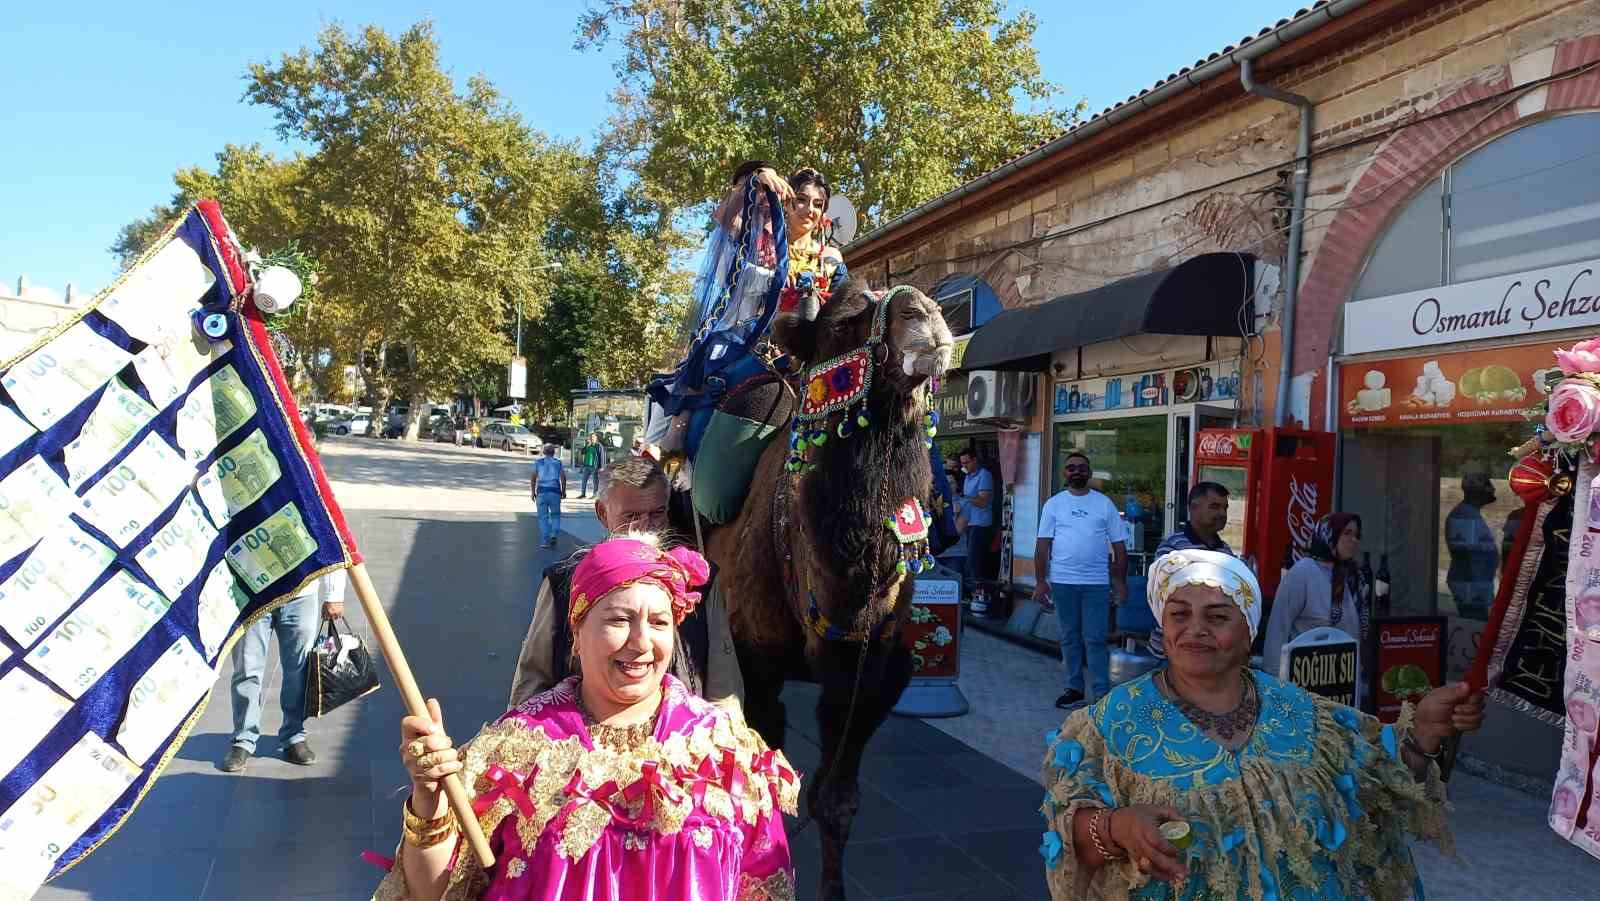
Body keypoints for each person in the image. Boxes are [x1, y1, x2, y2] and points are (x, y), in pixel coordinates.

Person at [1040, 549, 1485, 900]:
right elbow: (1068, 835)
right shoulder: (1108, 725)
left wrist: (1424, 734)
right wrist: (1118, 828)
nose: (1195, 629)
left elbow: (1381, 792)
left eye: (1217, 616)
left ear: (1248, 632)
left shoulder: (1307, 716)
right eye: (1179, 615)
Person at [375, 535, 797, 901]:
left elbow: (768, 884)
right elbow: (432, 892)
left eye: (659, 622)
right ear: (576, 632)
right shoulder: (515, 745)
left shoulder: (725, 750)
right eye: (619, 619)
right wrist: (428, 799)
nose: (641, 642)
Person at [509, 455, 744, 710]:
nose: (645, 527)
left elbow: (724, 688)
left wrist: (722, 740)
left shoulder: (698, 582)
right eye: (632, 515)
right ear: (602, 513)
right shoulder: (564, 580)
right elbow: (533, 677)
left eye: (657, 513)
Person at [220, 571, 347, 772]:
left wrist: (334, 594)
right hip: (251, 593)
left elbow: (333, 540)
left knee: (299, 669)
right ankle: (242, 740)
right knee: (246, 669)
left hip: (301, 592)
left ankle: (294, 735)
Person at [1033, 452, 1129, 709]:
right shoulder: (1053, 505)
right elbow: (1043, 546)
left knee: (1096, 638)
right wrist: (1040, 581)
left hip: (1097, 582)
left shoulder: (1104, 504)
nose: (1077, 471)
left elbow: (1119, 547)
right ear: (1065, 473)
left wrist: (1120, 580)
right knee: (1069, 637)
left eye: (1082, 467)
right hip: (1063, 581)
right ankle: (1074, 688)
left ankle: (1100, 692)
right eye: (1071, 467)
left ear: (1089, 472)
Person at [1264, 513, 1367, 675]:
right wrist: (1274, 683)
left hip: (1343, 678)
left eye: (1357, 535)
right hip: (1306, 677)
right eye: (1347, 533)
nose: (1354, 540)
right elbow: (1278, 628)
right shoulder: (1303, 572)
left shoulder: (1353, 577)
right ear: (1328, 534)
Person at [1148, 482, 1234, 658]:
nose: (1222, 514)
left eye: (1225, 508)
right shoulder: (1172, 547)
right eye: (1215, 507)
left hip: (1208, 650)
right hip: (1171, 650)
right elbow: (1164, 596)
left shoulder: (1225, 551)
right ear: (1194, 508)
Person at [1445, 471, 1499, 620]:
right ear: (1477, 492)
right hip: (1471, 589)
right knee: (1475, 627)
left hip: (1474, 586)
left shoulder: (1469, 513)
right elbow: (1466, 557)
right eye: (1489, 486)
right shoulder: (1465, 516)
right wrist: (1478, 592)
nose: (1493, 490)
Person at [956, 449, 995, 589]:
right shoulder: (967, 477)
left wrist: (964, 497)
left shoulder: (984, 475)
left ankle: (976, 592)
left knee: (974, 561)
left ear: (974, 460)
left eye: (966, 462)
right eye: (962, 463)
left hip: (980, 524)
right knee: (969, 559)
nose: (964, 466)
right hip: (969, 522)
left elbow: (983, 501)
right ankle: (971, 589)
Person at [530, 444, 567, 549]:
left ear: (544, 452)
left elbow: (533, 478)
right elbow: (563, 478)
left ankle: (545, 540)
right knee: (555, 515)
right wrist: (563, 491)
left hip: (541, 492)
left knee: (543, 517)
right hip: (555, 492)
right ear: (553, 453)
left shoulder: (538, 463)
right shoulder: (558, 463)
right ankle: (554, 534)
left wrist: (533, 492)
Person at [576, 432, 608, 498]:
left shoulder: (599, 446)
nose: (592, 438)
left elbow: (601, 456)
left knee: (595, 481)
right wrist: (587, 445)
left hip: (594, 466)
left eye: (593, 437)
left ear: (596, 438)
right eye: (591, 437)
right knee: (584, 480)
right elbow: (582, 452)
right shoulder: (588, 445)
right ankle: (583, 494)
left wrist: (601, 467)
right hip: (587, 466)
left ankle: (595, 494)